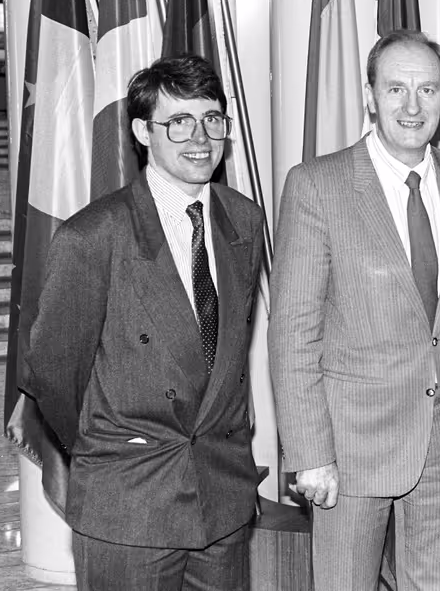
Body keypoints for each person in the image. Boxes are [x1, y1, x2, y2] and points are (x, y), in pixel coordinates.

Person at [22, 54, 265, 590]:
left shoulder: (244, 219)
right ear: (142, 131)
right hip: (129, 502)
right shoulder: (94, 236)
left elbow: (227, 359)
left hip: (222, 499)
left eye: (212, 119)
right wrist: (108, 448)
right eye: (178, 121)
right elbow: (54, 374)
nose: (199, 137)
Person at [269, 30, 440, 590]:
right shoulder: (316, 185)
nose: (411, 106)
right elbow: (293, 330)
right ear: (370, 96)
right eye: (396, 88)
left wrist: (428, 339)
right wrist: (309, 453)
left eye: (427, 89)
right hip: (348, 449)